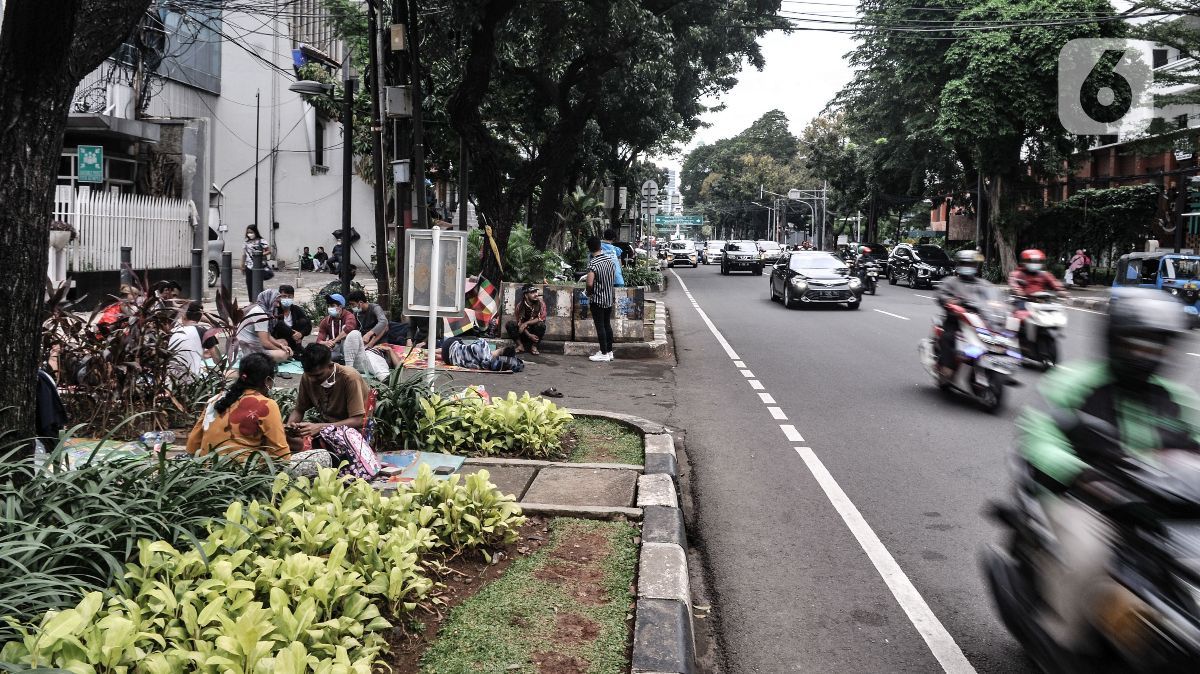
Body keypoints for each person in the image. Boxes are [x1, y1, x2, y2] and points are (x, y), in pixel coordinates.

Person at [1017, 287, 1200, 653]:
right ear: (1114, 339)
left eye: (1156, 345)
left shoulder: (1178, 400)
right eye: (1136, 343)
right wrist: (1082, 475)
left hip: (1161, 510)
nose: (1145, 353)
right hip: (1085, 501)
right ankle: (1059, 641)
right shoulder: (1076, 382)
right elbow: (1039, 434)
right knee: (1087, 556)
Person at [186, 353, 288, 461]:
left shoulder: (216, 399)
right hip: (241, 474)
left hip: (205, 471)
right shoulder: (267, 405)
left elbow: (192, 445)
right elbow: (281, 455)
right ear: (268, 380)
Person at [286, 343, 371, 454]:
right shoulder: (308, 377)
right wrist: (290, 426)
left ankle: (311, 448)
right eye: (309, 375)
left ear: (330, 366)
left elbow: (358, 420)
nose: (312, 380)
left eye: (318, 375)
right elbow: (299, 409)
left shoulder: (349, 377)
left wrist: (321, 428)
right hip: (327, 427)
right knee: (282, 434)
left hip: (353, 431)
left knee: (328, 449)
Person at [936, 249, 993, 378]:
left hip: (979, 320)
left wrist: (997, 305)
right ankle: (947, 366)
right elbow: (940, 295)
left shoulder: (983, 284)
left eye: (971, 265)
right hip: (956, 320)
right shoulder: (951, 281)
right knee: (948, 337)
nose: (968, 267)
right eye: (965, 264)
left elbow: (993, 298)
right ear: (959, 265)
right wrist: (950, 302)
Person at [347, 289, 403, 370]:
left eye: (353, 304)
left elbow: (383, 322)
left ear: (360, 303)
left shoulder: (375, 308)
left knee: (384, 326)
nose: (352, 307)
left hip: (378, 342)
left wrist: (369, 334)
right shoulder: (357, 314)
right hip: (365, 343)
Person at [237, 289, 293, 363]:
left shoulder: (260, 309)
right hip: (247, 351)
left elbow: (268, 335)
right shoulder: (260, 314)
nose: (278, 305)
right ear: (269, 299)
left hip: (254, 344)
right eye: (276, 302)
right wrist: (280, 350)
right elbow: (265, 342)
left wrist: (280, 346)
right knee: (283, 355)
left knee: (283, 342)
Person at [586, 235, 617, 362]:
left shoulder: (593, 263)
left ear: (589, 248)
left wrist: (589, 293)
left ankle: (603, 353)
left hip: (597, 299)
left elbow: (589, 283)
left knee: (600, 326)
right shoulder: (610, 261)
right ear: (600, 245)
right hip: (609, 298)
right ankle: (609, 351)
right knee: (607, 325)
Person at [269, 284, 312, 354]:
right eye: (284, 296)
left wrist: (301, 334)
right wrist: (292, 333)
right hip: (280, 340)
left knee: (303, 321)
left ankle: (296, 348)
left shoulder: (296, 309)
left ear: (293, 297)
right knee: (279, 324)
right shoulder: (275, 310)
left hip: (296, 340)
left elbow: (308, 325)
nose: (287, 298)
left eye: (289, 296)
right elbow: (277, 326)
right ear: (279, 297)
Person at [169, 300, 207, 380]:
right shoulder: (202, 331)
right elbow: (217, 359)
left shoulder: (172, 332)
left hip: (171, 378)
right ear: (200, 317)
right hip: (192, 380)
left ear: (183, 316)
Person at [317, 293, 358, 364]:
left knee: (345, 327)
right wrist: (325, 343)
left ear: (340, 307)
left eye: (332, 306)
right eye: (329, 306)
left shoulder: (349, 316)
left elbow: (348, 329)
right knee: (319, 356)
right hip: (335, 349)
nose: (330, 308)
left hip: (349, 348)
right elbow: (319, 340)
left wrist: (334, 341)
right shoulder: (326, 321)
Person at [506, 284, 547, 354]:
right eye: (532, 293)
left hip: (534, 331)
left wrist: (526, 323)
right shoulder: (520, 306)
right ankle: (520, 346)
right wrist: (529, 335)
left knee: (541, 325)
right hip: (524, 332)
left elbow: (541, 318)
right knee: (510, 324)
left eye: (536, 292)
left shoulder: (541, 303)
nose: (536, 294)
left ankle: (534, 346)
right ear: (526, 295)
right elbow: (520, 323)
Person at [442, 336, 524, 372]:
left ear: (502, 349)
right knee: (464, 354)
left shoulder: (483, 344)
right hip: (448, 360)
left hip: (448, 347)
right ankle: (436, 355)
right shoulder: (487, 365)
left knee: (459, 343)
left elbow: (470, 346)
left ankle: (433, 352)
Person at [243, 225, 271, 302]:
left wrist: (260, 254)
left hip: (258, 266)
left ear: (255, 232)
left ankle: (262, 300)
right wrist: (242, 265)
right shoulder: (246, 242)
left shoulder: (261, 241)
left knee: (258, 283)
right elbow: (244, 254)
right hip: (248, 266)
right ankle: (251, 301)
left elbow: (269, 251)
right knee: (249, 283)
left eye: (251, 232)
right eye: (248, 232)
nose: (249, 234)